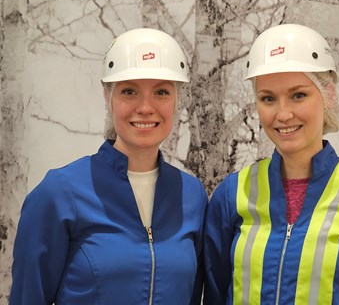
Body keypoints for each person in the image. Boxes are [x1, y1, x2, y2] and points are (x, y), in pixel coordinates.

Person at [203, 24, 339, 304]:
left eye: (298, 95)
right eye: (268, 98)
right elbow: (216, 295)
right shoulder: (232, 195)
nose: (283, 113)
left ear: (328, 95)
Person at [10, 28, 208, 304]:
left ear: (177, 99)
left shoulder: (192, 196)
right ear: (107, 95)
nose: (146, 107)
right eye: (129, 91)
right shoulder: (60, 194)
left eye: (161, 92)